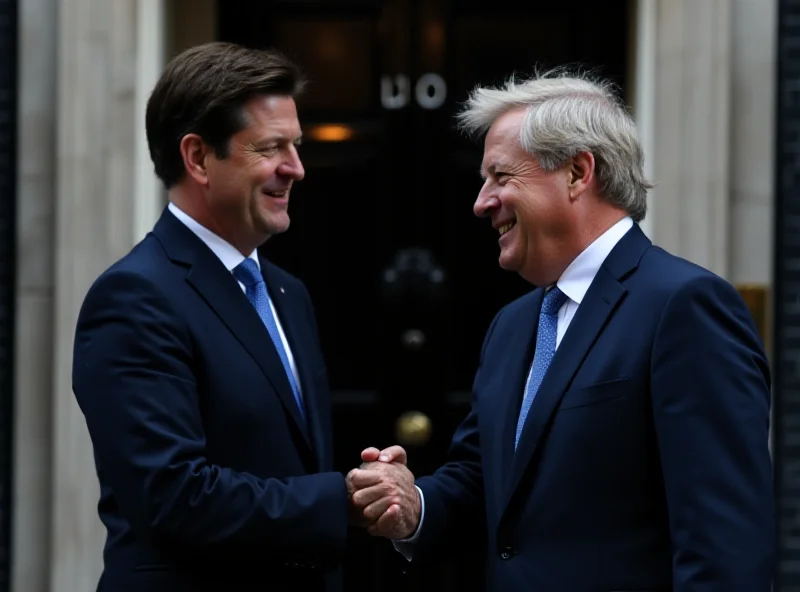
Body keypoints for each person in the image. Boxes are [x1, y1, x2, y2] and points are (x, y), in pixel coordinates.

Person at [347, 70, 776, 591]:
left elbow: (723, 547)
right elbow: (485, 481)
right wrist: (413, 506)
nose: (482, 202)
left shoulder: (684, 308)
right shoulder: (512, 325)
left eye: (501, 177)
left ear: (577, 173)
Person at [72, 42, 352, 592]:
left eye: (295, 146)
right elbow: (174, 496)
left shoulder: (287, 294)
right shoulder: (134, 297)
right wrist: (342, 498)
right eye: (272, 147)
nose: (296, 168)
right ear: (198, 157)